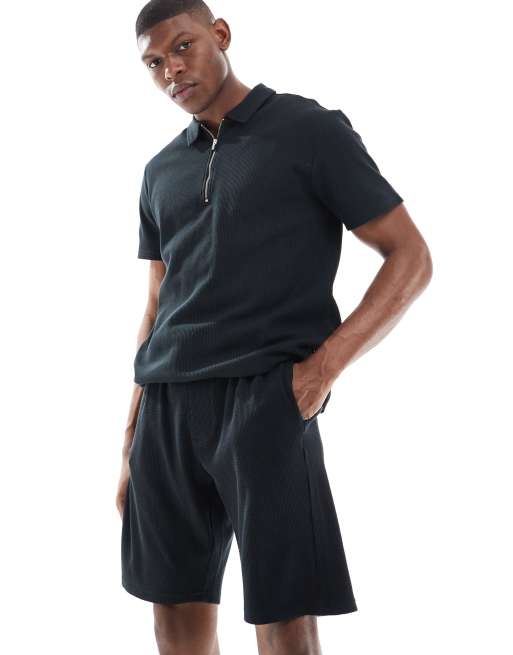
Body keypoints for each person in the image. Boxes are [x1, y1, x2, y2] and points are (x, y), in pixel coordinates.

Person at [116, 1, 433, 653]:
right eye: (154, 63)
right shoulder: (159, 171)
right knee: (172, 608)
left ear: (220, 34)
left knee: (284, 610)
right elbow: (156, 305)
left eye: (182, 47)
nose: (171, 70)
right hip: (166, 408)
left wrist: (320, 371)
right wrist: (131, 434)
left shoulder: (306, 130)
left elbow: (410, 256)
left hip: (265, 397)